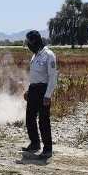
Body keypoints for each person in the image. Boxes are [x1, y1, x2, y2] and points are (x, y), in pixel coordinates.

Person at [22, 30, 58, 159]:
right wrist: (28, 90)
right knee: (30, 118)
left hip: (43, 90)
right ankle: (35, 143)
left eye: (29, 42)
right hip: (33, 89)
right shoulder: (35, 55)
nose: (28, 45)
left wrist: (48, 95)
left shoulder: (49, 55)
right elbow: (35, 76)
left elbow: (53, 77)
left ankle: (47, 149)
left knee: (43, 121)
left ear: (35, 41)